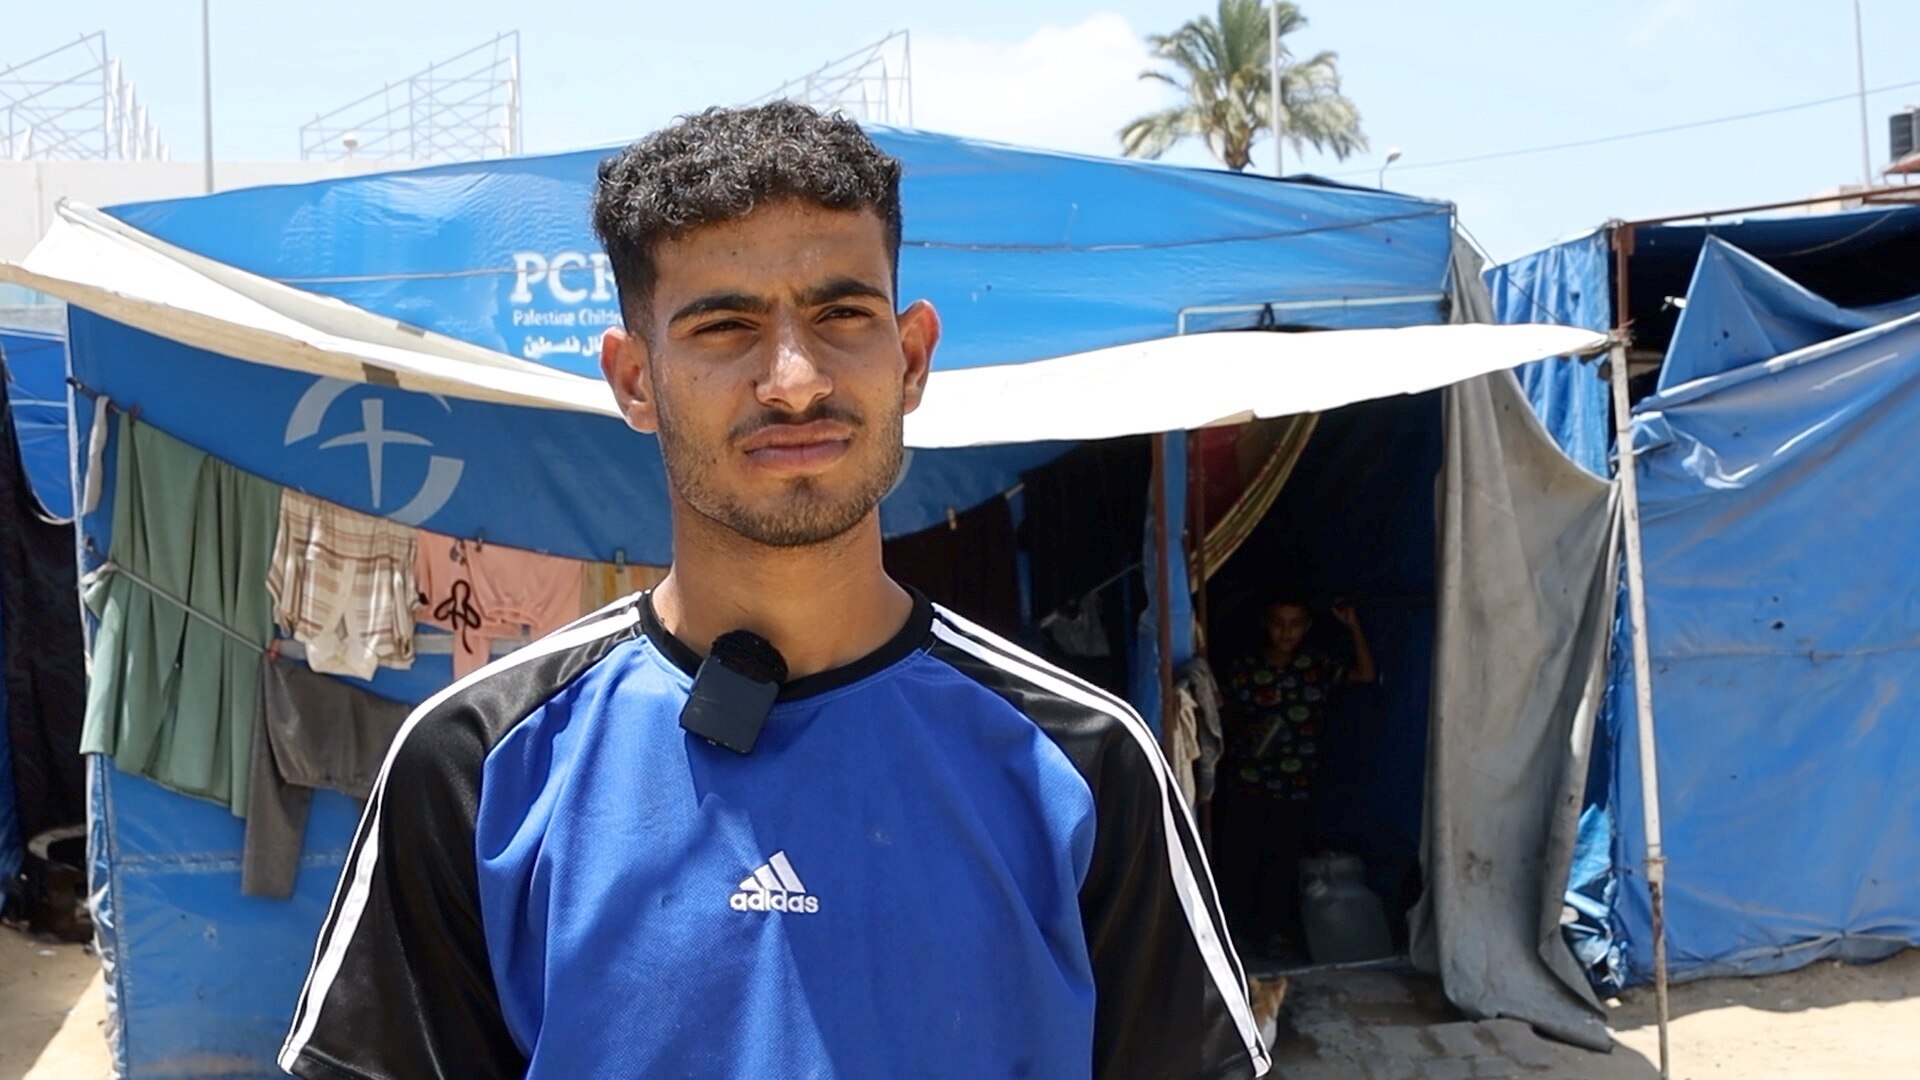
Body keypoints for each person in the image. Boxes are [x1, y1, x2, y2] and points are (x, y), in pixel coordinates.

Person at [277, 103, 1267, 1080]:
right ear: (634, 380)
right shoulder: (477, 764)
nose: (794, 379)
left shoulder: (1081, 761)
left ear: (910, 358)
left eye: (842, 315)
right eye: (725, 326)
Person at [1213, 592, 1377, 962]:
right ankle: (1237, 933)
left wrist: (1353, 626)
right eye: (1278, 623)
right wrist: (1248, 730)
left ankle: (1275, 933)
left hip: (1296, 785)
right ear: (1265, 623)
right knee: (1241, 858)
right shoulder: (1245, 668)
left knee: (1283, 861)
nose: (1286, 632)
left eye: (1295, 624)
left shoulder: (1315, 667)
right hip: (1248, 781)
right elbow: (1221, 712)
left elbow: (1366, 674)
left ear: (1307, 626)